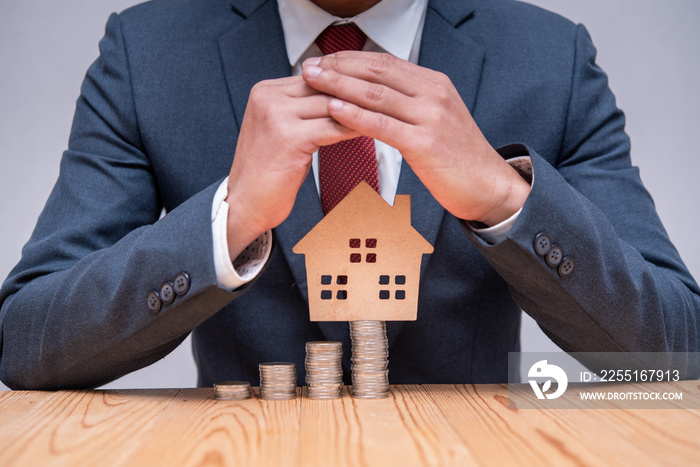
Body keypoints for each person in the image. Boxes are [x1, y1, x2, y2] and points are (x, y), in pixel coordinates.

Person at [1, 0, 698, 390]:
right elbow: (26, 344)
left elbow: (677, 352)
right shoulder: (146, 55)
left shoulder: (552, 60)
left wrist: (503, 196)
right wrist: (229, 220)